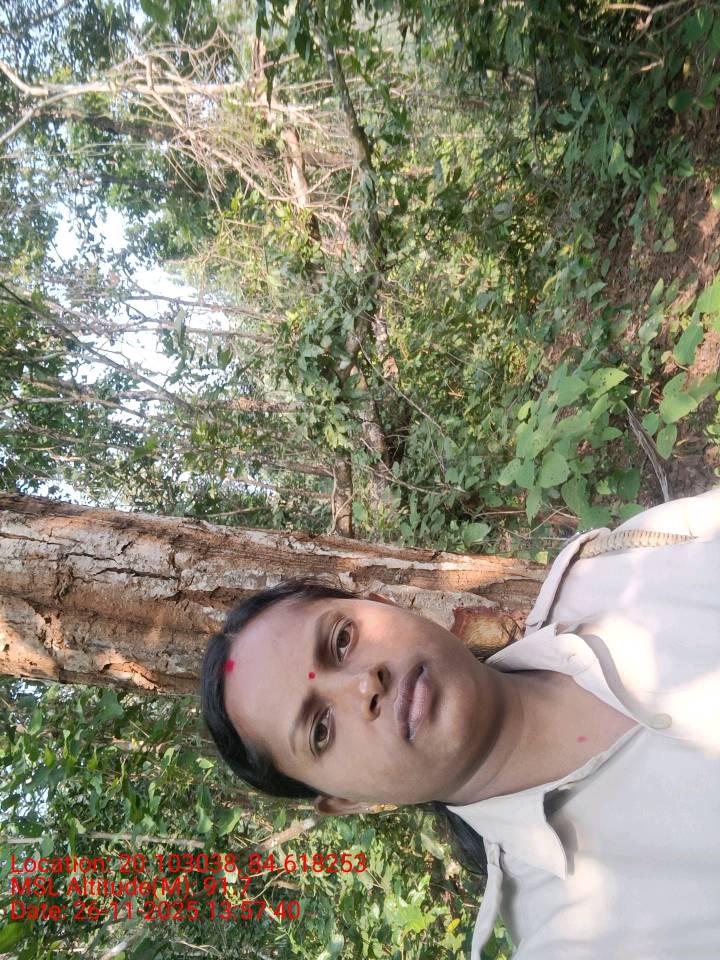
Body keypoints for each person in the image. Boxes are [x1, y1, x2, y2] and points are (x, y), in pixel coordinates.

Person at [201, 485, 720, 959]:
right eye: (320, 730)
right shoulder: (573, 940)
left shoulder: (618, 566)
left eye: (342, 640)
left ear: (383, 603)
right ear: (346, 801)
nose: (364, 685)